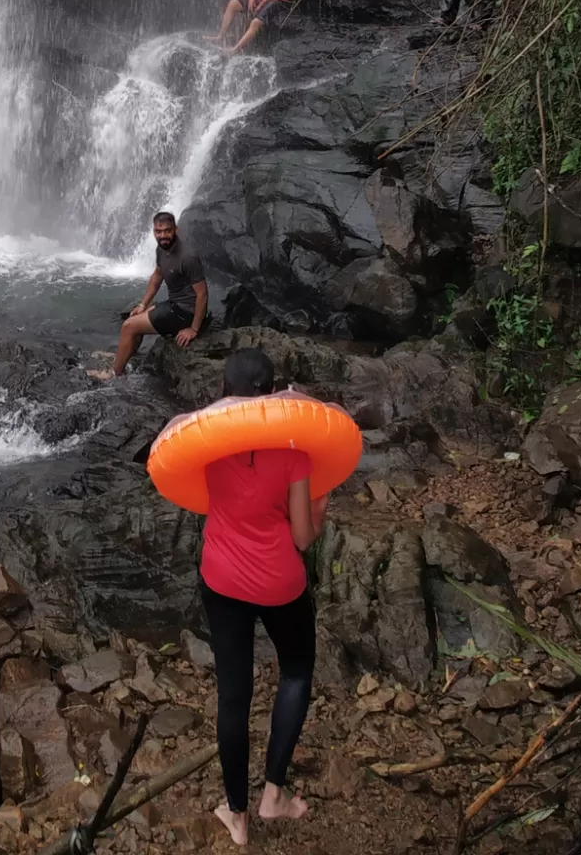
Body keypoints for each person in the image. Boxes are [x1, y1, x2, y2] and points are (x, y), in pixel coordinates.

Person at [197, 346, 327, 844]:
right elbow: (301, 537)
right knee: (295, 670)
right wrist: (320, 509)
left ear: (225, 393)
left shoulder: (206, 443)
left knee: (234, 696)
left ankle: (237, 816)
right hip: (279, 583)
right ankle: (273, 794)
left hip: (223, 580)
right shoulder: (293, 451)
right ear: (272, 394)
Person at [106, 211, 209, 377]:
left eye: (167, 231)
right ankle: (124, 358)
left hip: (185, 313)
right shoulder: (162, 249)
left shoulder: (188, 257)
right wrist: (143, 304)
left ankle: (114, 373)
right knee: (134, 320)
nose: (163, 236)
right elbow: (157, 277)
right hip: (174, 305)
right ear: (154, 231)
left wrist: (194, 329)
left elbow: (202, 294)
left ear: (175, 229)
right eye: (158, 232)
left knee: (128, 326)